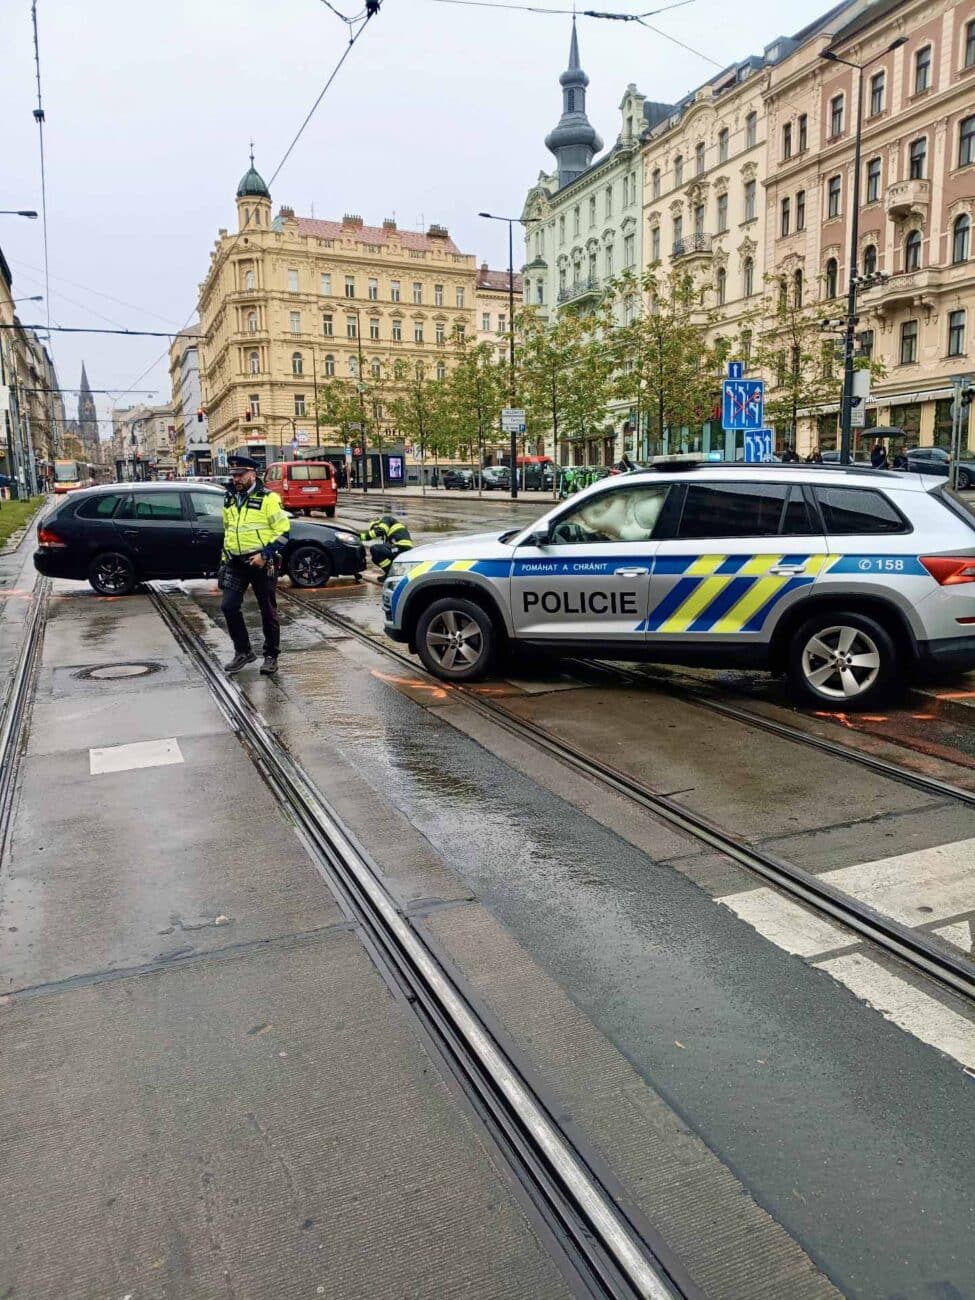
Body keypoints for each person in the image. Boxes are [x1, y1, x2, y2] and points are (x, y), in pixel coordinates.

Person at [219, 455, 290, 675]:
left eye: (240, 475)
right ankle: (243, 652)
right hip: (236, 561)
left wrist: (265, 555)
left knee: (267, 610)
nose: (236, 479)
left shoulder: (269, 498)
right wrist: (224, 560)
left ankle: (271, 655)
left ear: (252, 474)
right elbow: (228, 531)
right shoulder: (230, 498)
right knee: (229, 606)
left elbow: (284, 532)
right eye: (233, 475)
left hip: (261, 562)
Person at [358, 513, 413, 578]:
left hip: (402, 546)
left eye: (374, 528)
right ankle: (390, 573)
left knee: (375, 549)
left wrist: (363, 537)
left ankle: (392, 574)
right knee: (376, 557)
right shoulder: (387, 535)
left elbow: (380, 530)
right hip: (399, 548)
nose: (374, 530)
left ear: (376, 524)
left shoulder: (386, 519)